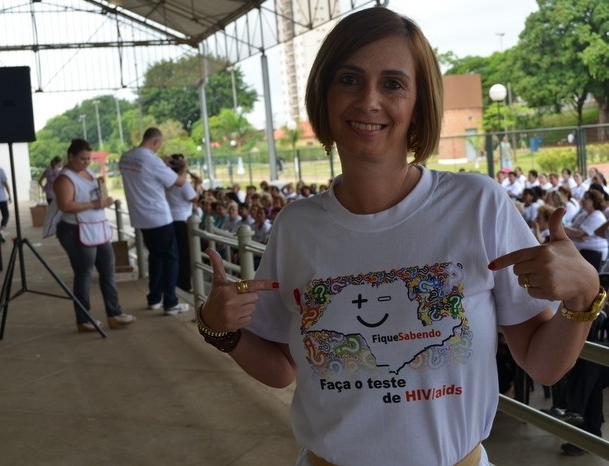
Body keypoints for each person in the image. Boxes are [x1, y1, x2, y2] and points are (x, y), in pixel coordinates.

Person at [195, 8, 602, 466]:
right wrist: (218, 328)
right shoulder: (297, 227)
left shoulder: (476, 204)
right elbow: (280, 368)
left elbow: (544, 364)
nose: (369, 100)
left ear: (418, 103)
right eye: (349, 79)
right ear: (324, 96)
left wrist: (584, 295)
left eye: (393, 83)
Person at [53, 139, 135, 333]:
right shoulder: (64, 178)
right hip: (75, 230)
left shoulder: (88, 172)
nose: (86, 162)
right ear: (71, 157)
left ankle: (114, 313)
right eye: (82, 159)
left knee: (108, 270)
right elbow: (65, 205)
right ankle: (83, 318)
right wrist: (95, 204)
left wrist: (101, 199)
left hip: (97, 229)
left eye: (88, 158)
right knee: (84, 274)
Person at [118, 127, 190, 316]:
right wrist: (183, 167)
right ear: (156, 142)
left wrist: (162, 164)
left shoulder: (126, 157)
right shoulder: (152, 160)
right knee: (171, 258)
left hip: (139, 217)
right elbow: (179, 181)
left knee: (156, 256)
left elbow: (144, 173)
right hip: (158, 216)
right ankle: (171, 302)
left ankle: (154, 298)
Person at [165, 153, 199, 293]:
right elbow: (194, 198)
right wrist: (197, 185)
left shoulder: (167, 181)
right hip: (183, 221)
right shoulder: (183, 183)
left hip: (169, 220)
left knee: (174, 254)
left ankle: (174, 282)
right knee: (185, 255)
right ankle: (184, 284)